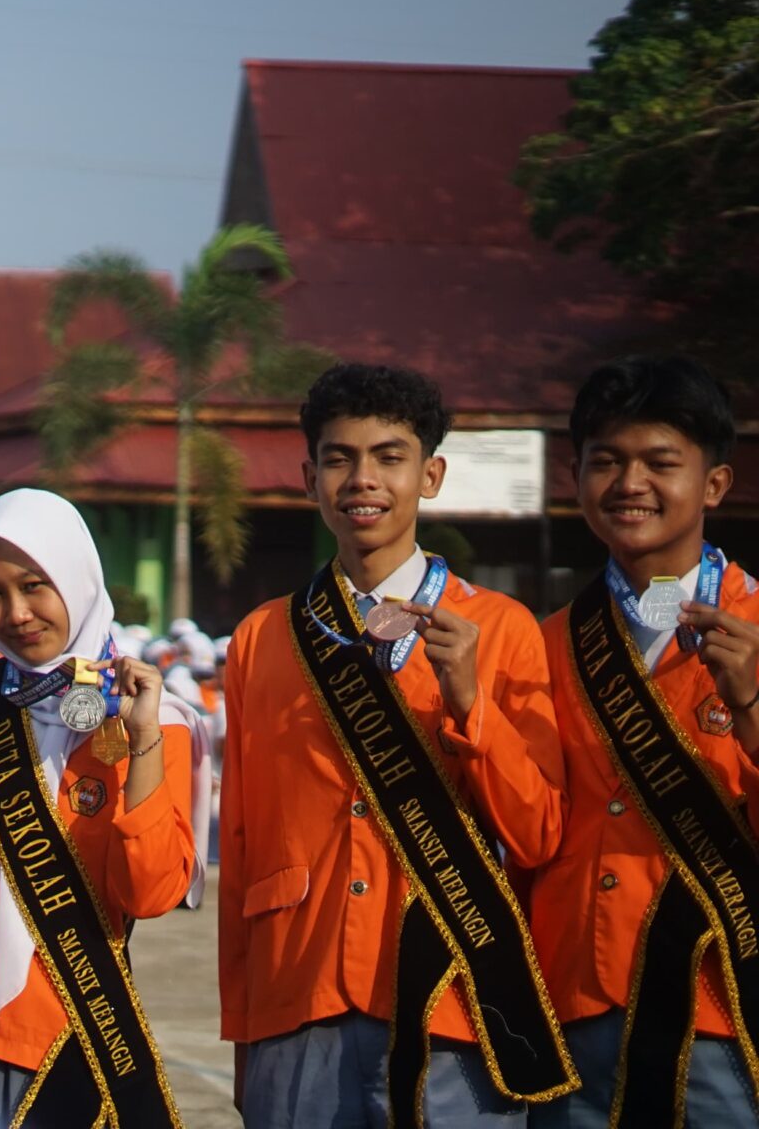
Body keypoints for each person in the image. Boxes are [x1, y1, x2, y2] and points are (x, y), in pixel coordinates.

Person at [219, 365, 573, 1128]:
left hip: (455, 1002)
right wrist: (244, 1038)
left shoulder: (502, 631)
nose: (363, 479)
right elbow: (241, 850)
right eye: (341, 459)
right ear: (311, 477)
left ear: (431, 474)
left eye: (389, 456)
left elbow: (539, 832)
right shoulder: (262, 637)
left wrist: (470, 703)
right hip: (297, 994)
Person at [0, 488, 196, 1127]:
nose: (15, 612)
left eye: (34, 586)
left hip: (58, 1029)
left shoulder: (154, 719)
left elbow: (153, 891)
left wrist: (144, 744)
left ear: (76, 580)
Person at [529, 358, 759, 1127]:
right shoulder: (546, 644)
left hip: (726, 1005)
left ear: (716, 485)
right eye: (608, 462)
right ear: (577, 477)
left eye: (661, 463)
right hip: (578, 997)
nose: (631, 484)